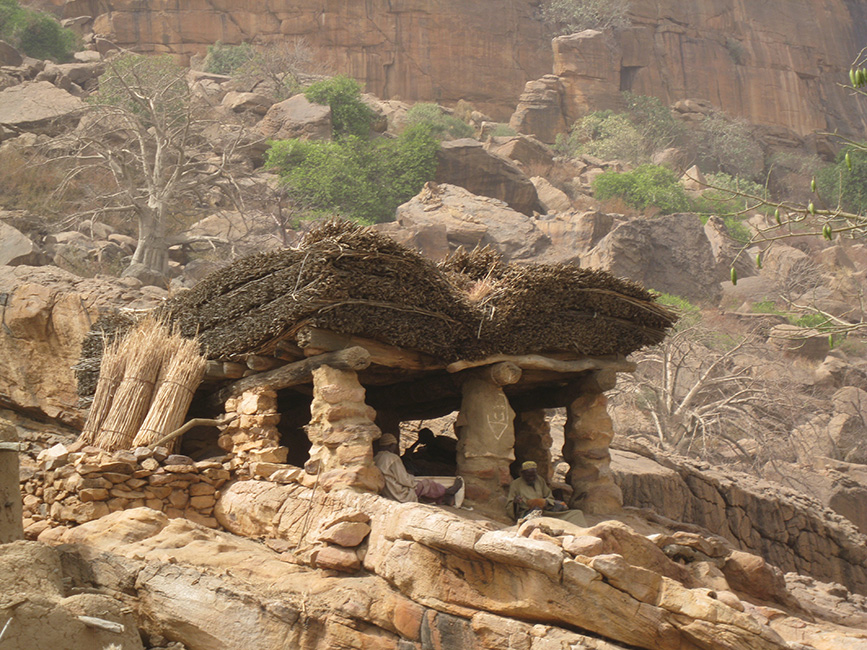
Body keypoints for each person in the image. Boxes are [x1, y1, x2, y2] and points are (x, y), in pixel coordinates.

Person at [374, 433, 463, 505]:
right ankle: (447, 492)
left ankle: (445, 499)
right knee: (426, 485)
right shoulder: (392, 458)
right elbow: (404, 480)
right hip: (398, 494)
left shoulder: (376, 458)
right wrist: (413, 479)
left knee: (421, 489)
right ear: (392, 445)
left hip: (388, 492)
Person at [506, 461, 587, 527]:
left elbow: (549, 496)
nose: (531, 478)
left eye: (533, 475)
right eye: (528, 476)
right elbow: (510, 504)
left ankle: (581, 531)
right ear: (522, 473)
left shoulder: (539, 480)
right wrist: (515, 502)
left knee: (576, 513)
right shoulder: (515, 484)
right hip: (528, 513)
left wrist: (545, 502)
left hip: (544, 511)